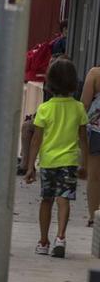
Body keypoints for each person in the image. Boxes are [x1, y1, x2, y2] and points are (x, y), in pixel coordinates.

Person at [23, 58, 89, 257]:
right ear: (73, 83)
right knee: (64, 199)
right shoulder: (78, 108)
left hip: (48, 162)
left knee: (46, 200)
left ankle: (43, 241)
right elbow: (83, 139)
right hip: (69, 162)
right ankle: (61, 237)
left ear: (49, 84)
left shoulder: (44, 109)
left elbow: (35, 140)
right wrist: (83, 163)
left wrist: (30, 166)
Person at [79, 65, 100, 227]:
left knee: (94, 176)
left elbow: (84, 105)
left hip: (97, 130)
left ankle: (94, 217)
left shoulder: (95, 73)